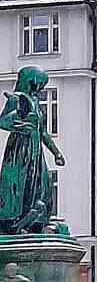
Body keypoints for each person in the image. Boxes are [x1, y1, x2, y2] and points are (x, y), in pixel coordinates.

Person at [0, 67, 66, 235]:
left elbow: (42, 131)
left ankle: (35, 222)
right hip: (19, 150)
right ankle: (13, 222)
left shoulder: (35, 101)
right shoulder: (16, 98)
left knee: (42, 183)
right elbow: (3, 121)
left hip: (35, 151)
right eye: (40, 83)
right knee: (17, 185)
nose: (41, 88)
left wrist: (56, 152)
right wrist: (20, 126)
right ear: (31, 81)